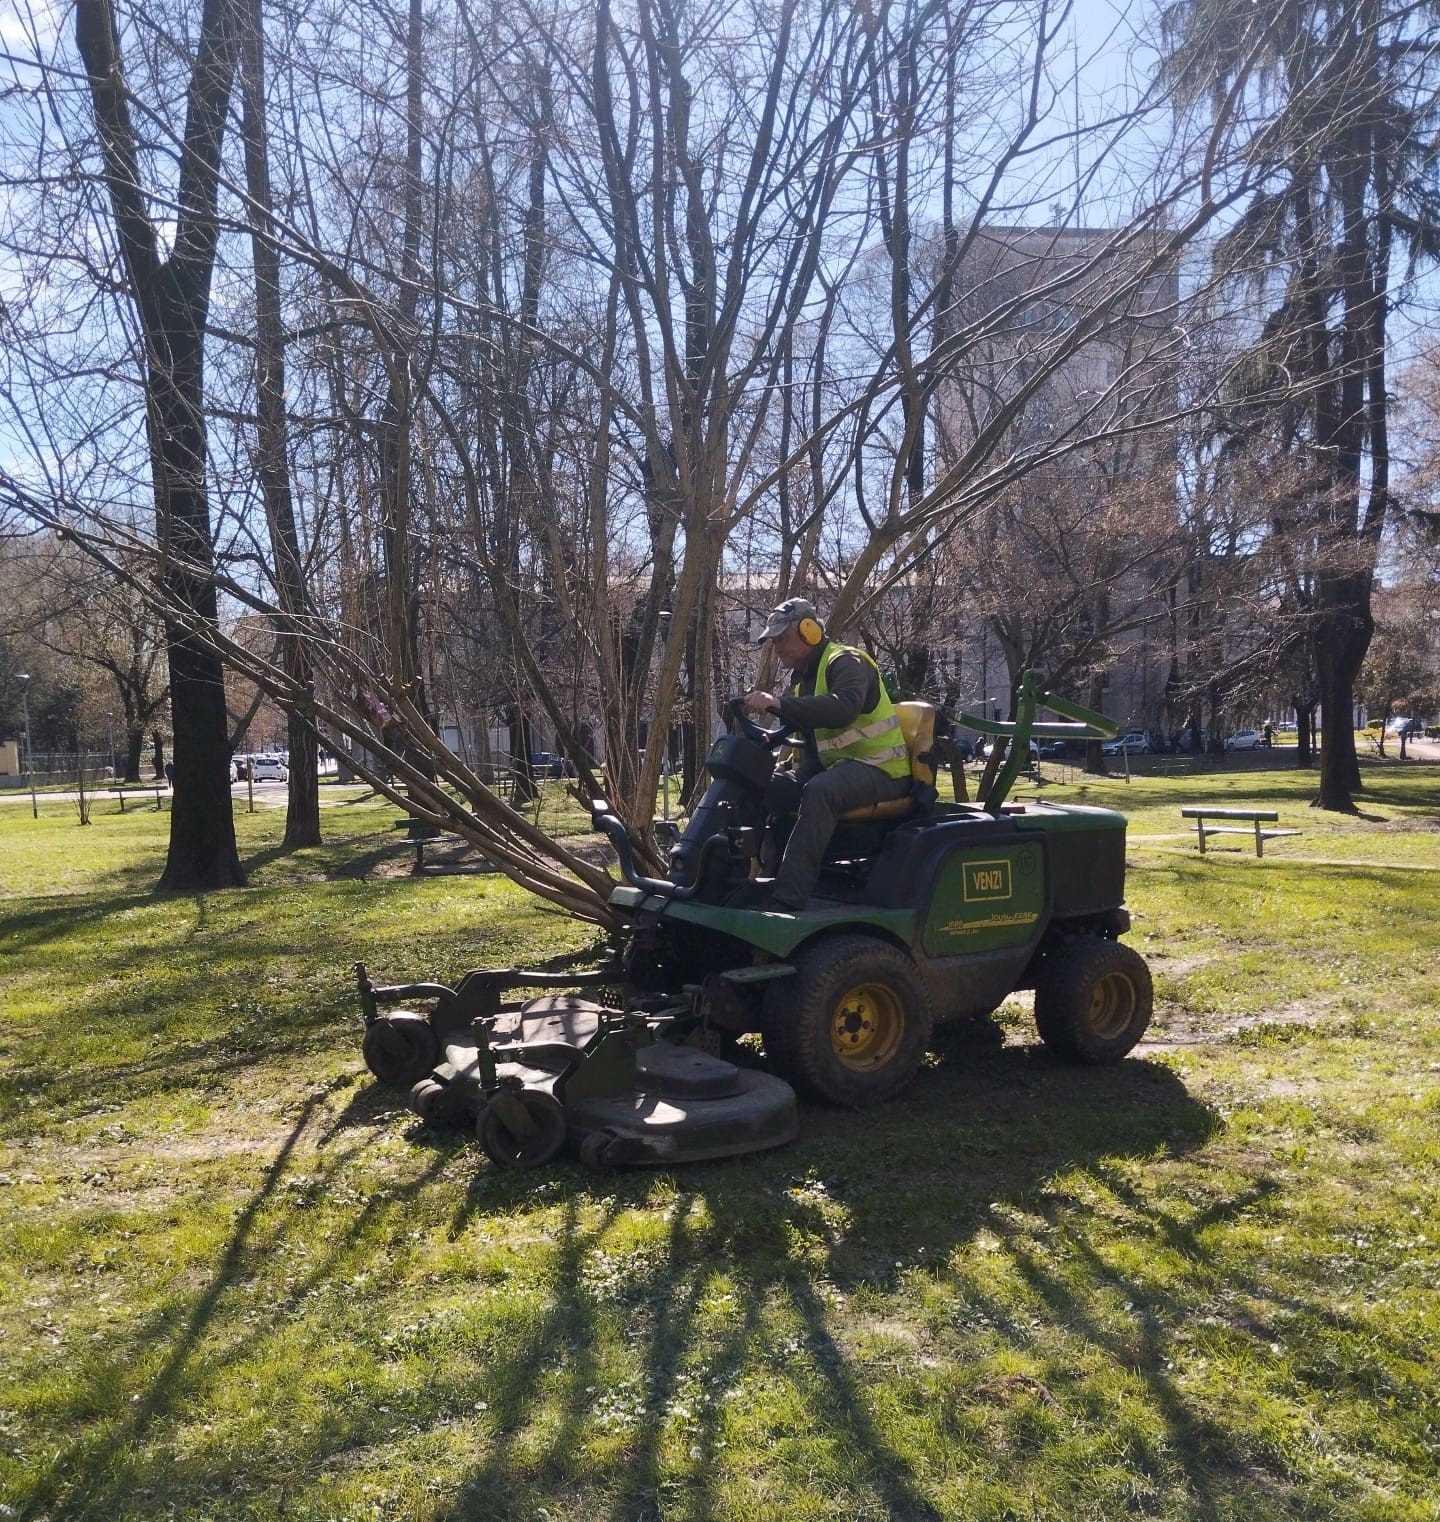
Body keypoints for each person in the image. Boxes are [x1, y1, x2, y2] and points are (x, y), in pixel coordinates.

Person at [743, 597, 912, 911]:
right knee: (764, 785)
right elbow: (806, 728)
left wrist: (778, 704)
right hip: (834, 767)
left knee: (820, 791)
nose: (777, 647)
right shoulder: (803, 680)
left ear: (809, 630)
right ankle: (751, 878)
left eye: (782, 638)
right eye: (773, 641)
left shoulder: (846, 661)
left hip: (882, 769)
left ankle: (787, 899)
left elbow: (843, 707)